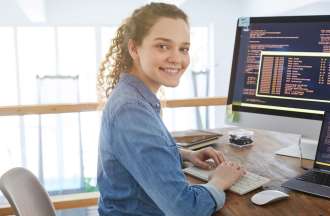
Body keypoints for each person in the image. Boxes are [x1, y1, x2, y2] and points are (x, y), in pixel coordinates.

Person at [97, 2, 245, 216]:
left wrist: (184, 154)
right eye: (163, 46)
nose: (177, 58)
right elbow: (185, 209)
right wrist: (219, 181)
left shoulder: (133, 97)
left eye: (183, 48)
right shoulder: (131, 109)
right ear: (134, 49)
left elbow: (137, 154)